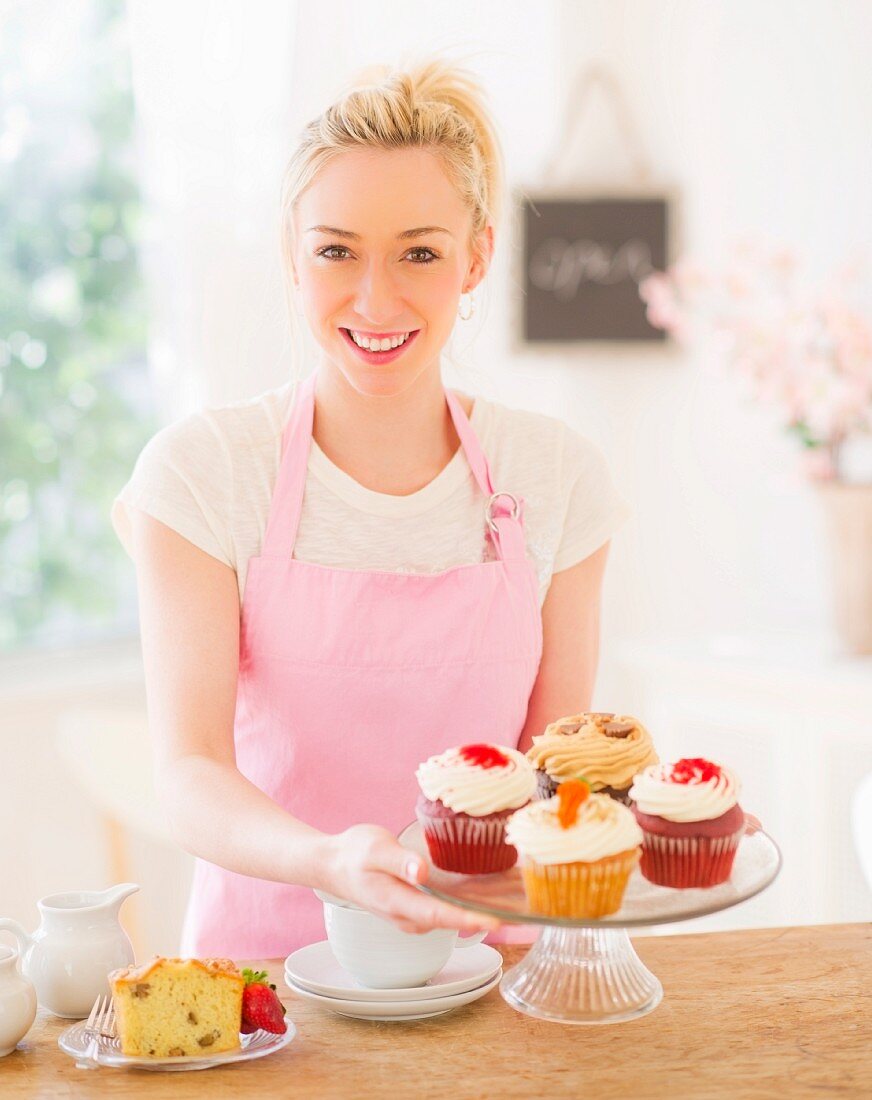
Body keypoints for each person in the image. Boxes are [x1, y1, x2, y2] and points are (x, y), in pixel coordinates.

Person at [112, 59, 632, 959]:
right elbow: (190, 772)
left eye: (419, 253)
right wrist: (329, 861)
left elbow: (554, 769)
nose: (376, 298)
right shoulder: (203, 475)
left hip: (485, 965)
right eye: (336, 250)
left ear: (475, 258)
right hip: (261, 994)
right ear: (292, 254)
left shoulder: (556, 476)